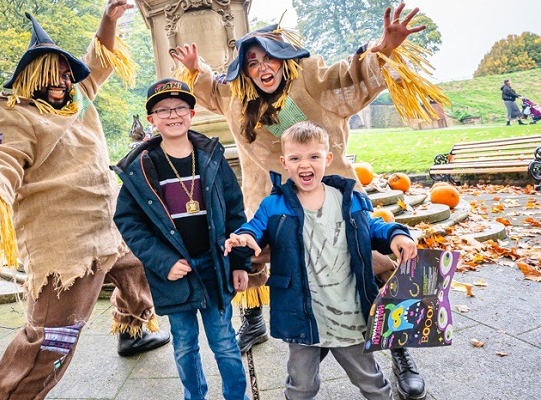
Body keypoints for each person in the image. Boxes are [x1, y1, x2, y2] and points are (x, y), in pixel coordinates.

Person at [171, 3, 434, 398]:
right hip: (275, 202)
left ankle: (398, 349)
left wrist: (383, 48)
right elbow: (210, 88)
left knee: (375, 265)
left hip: (332, 199)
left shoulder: (309, 78)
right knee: (255, 259)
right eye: (252, 61)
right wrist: (196, 66)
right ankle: (260, 323)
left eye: (268, 58)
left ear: (282, 59)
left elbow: (348, 76)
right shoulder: (236, 96)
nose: (262, 67)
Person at [0, 2, 170, 398]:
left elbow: (100, 60)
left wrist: (107, 22)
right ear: (27, 76)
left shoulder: (78, 98)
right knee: (50, 341)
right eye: (49, 72)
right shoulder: (7, 113)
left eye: (64, 71)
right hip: (66, 247)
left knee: (136, 269)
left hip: (110, 225)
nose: (60, 79)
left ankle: (132, 331)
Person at [225, 121, 418, 400]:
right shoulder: (274, 205)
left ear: (327, 159)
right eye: (295, 158)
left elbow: (373, 228)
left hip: (349, 313)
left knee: (370, 380)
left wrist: (396, 236)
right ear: (284, 163)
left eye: (314, 156)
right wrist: (243, 237)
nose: (305, 164)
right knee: (301, 385)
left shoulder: (348, 200)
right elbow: (254, 228)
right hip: (302, 314)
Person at [113, 78, 252, 400]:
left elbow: (234, 211)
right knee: (185, 343)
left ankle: (237, 396)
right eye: (163, 110)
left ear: (191, 113)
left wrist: (240, 263)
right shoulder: (141, 167)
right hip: (175, 272)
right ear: (151, 119)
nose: (172, 115)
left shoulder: (211, 157)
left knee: (224, 343)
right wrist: (163, 262)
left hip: (216, 265)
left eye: (179, 108)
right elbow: (128, 221)